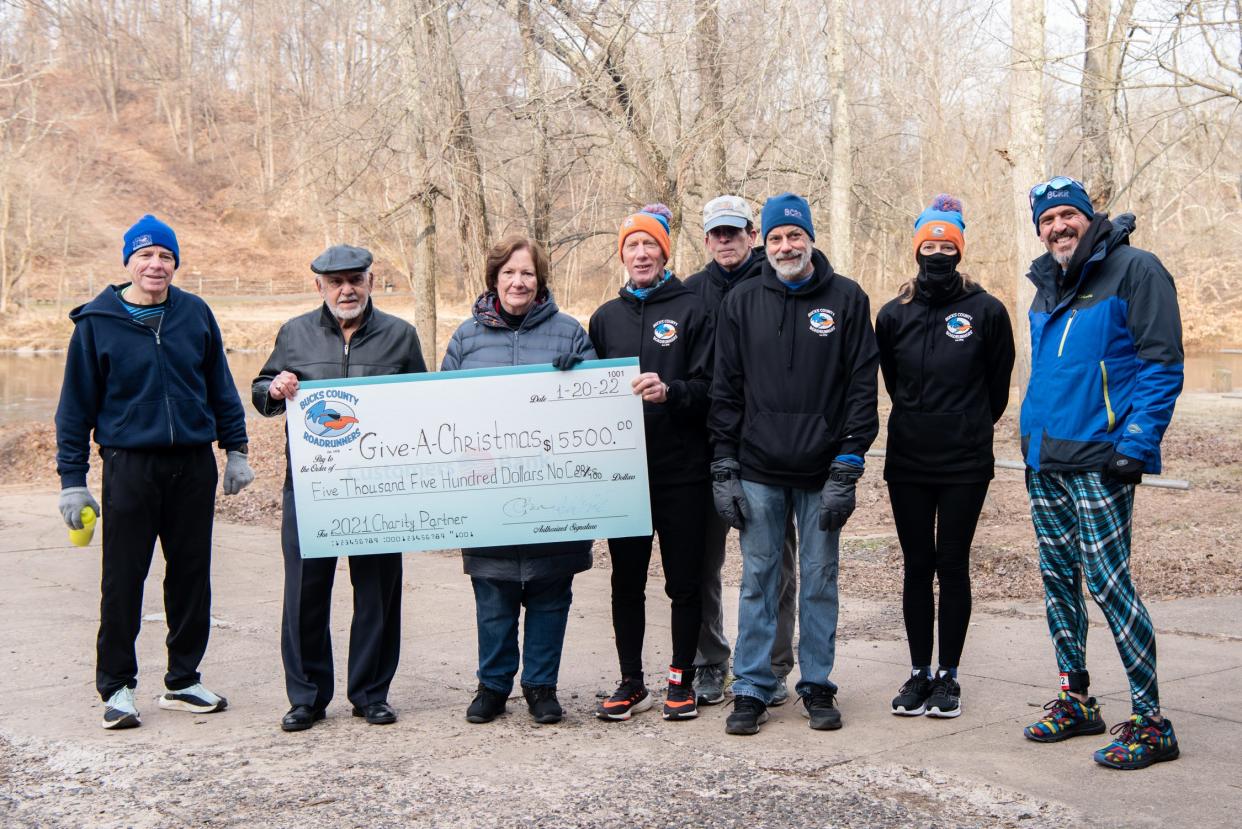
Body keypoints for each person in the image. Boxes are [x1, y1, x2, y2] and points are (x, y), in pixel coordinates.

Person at [55, 214, 254, 730]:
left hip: (192, 464)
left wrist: (236, 449)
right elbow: (74, 409)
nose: (156, 264)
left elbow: (221, 385)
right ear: (128, 262)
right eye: (145, 255)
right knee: (124, 577)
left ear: (175, 264)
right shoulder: (96, 323)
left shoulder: (194, 313)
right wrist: (72, 482)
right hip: (130, 465)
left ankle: (183, 680)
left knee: (191, 575)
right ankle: (117, 686)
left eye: (165, 256)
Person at [1018, 177, 1183, 770]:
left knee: (1110, 585)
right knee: (1058, 581)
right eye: (1047, 219)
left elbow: (1161, 361)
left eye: (1068, 215)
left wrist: (1137, 443)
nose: (1058, 226)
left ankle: (1151, 720)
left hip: (1101, 459)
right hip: (1046, 460)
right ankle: (1076, 699)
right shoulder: (1045, 285)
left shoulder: (1136, 270)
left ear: (1089, 218)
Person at [709, 193, 879, 735]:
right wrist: (724, 464)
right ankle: (753, 687)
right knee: (759, 580)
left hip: (822, 472)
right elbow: (726, 388)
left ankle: (818, 685)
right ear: (766, 241)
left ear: (810, 238)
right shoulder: (742, 302)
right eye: (777, 237)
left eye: (795, 236)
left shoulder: (848, 299)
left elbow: (861, 386)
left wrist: (848, 463)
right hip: (758, 470)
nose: (786, 246)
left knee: (820, 580)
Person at [252, 244, 426, 732]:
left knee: (377, 592)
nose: (346, 289)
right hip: (311, 488)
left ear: (372, 281)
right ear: (319, 287)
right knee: (305, 593)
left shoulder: (401, 336)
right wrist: (274, 389)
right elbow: (261, 392)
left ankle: (371, 693)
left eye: (355, 279)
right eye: (336, 282)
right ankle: (306, 697)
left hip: (377, 488)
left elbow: (421, 408)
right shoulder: (295, 334)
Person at [441, 235, 596, 726]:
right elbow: (442, 414)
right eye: (509, 273)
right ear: (494, 279)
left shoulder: (571, 333)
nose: (518, 281)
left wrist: (582, 378)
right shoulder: (466, 338)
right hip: (488, 496)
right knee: (493, 596)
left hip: (555, 495)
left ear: (540, 280)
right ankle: (493, 686)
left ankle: (541, 687)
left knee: (552, 595)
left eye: (527, 273)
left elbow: (599, 411)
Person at [875, 195, 1015, 719]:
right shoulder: (893, 314)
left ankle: (949, 676)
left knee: (952, 565)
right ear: (917, 250)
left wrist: (967, 424)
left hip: (965, 462)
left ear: (959, 250)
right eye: (928, 246)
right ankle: (917, 673)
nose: (937, 253)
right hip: (908, 460)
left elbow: (997, 388)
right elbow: (891, 380)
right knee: (917, 566)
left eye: (946, 246)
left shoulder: (987, 310)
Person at [589, 205, 713, 722]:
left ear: (665, 252)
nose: (641, 254)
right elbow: (585, 393)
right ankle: (630, 680)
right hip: (624, 476)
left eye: (650, 246)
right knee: (625, 582)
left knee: (684, 582)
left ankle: (681, 679)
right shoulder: (604, 318)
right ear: (622, 256)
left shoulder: (695, 308)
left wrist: (672, 392)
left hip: (683, 471)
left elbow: (714, 389)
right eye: (631, 247)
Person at [685, 195, 799, 708]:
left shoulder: (780, 278)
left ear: (752, 235)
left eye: (734, 232)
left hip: (769, 449)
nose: (725, 241)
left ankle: (774, 665)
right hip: (703, 446)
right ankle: (711, 660)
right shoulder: (690, 293)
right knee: (704, 564)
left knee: (774, 564)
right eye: (717, 233)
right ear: (706, 239)